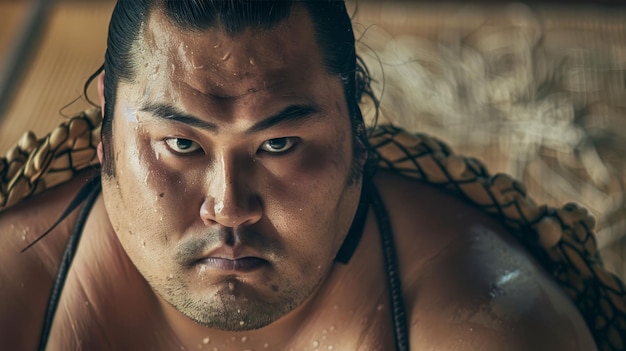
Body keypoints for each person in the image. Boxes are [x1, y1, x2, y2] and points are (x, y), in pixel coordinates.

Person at [0, 1, 623, 350]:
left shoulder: (478, 324)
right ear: (106, 130)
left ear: (356, 134)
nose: (228, 205)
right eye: (181, 144)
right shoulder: (19, 295)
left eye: (278, 142)